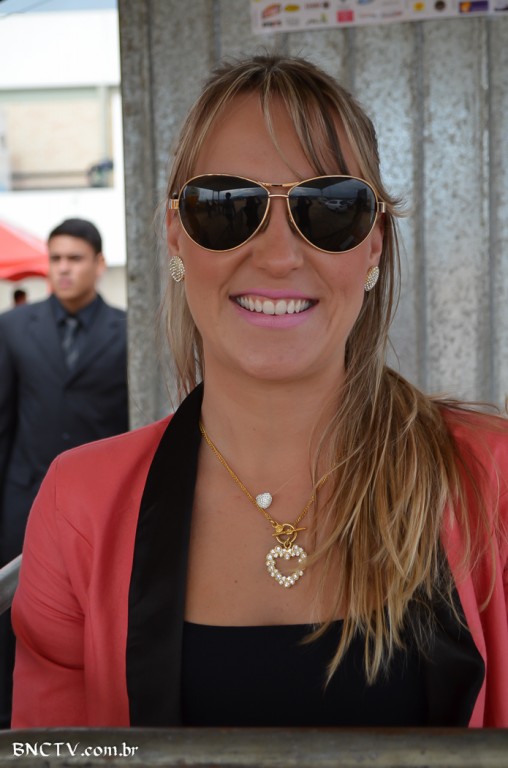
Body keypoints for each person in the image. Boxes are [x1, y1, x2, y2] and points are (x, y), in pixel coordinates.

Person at [11, 55, 508, 729]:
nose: (278, 256)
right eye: (227, 207)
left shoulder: (492, 483)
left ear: (373, 247)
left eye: (330, 208)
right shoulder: (77, 506)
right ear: (177, 237)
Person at [0, 217, 129, 728]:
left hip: (97, 510)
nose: (63, 269)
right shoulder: (13, 329)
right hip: (22, 502)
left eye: (74, 259)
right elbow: (4, 423)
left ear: (99, 264)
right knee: (14, 619)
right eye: (55, 259)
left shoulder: (128, 330)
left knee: (90, 620)